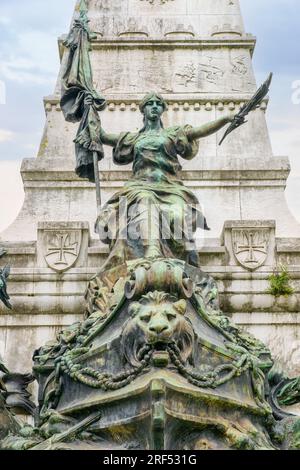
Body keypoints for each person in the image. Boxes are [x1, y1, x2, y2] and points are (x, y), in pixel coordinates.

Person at [85, 92, 240, 269]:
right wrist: (89, 110)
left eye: (158, 104)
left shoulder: (174, 134)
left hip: (171, 188)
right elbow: (102, 136)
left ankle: (177, 261)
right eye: (149, 103)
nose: (154, 106)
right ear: (143, 110)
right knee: (145, 199)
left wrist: (226, 118)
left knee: (177, 216)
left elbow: (200, 131)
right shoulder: (133, 138)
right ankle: (153, 252)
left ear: (162, 110)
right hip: (139, 186)